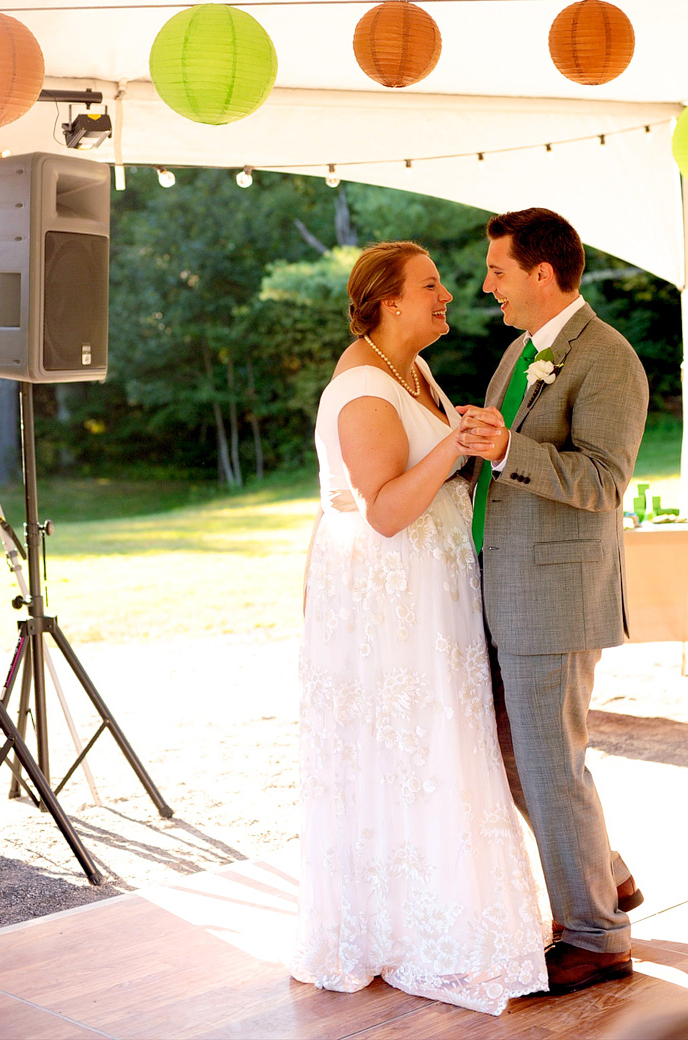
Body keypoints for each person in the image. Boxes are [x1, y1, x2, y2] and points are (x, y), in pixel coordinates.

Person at [291, 241, 548, 1015]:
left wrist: (468, 443)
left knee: (444, 742)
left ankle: (449, 915)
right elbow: (387, 512)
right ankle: (406, 932)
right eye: (430, 285)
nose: (448, 295)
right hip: (391, 601)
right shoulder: (364, 386)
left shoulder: (412, 370)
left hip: (430, 596)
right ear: (388, 302)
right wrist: (454, 446)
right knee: (411, 746)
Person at [458, 207, 649, 996]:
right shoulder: (521, 352)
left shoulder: (608, 359)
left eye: (498, 269)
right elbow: (492, 467)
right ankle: (608, 877)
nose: (486, 284)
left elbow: (604, 482)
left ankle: (597, 936)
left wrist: (510, 450)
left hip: (555, 597)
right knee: (520, 761)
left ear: (543, 274)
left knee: (548, 767)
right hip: (506, 589)